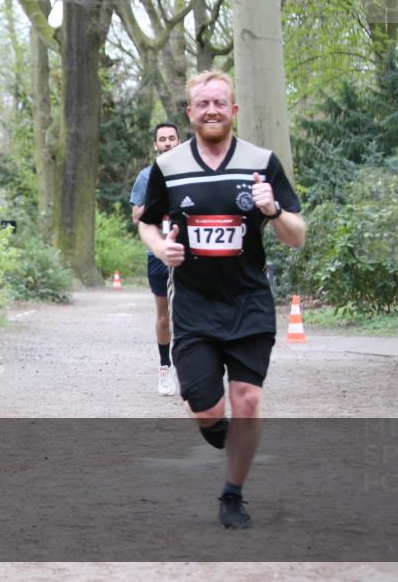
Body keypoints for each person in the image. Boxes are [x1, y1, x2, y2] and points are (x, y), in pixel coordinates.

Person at [137, 70, 305, 529]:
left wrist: (272, 210)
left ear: (233, 110)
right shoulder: (168, 167)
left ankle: (233, 495)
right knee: (206, 409)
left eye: (220, 102)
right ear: (190, 113)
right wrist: (160, 248)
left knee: (247, 400)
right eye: (202, 103)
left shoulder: (261, 162)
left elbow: (297, 235)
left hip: (248, 301)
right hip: (193, 304)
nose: (211, 110)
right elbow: (147, 222)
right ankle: (223, 432)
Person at [130, 122, 181, 396]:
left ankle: (195, 366)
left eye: (172, 138)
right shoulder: (146, 177)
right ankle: (165, 366)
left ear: (179, 141)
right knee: (164, 316)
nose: (167, 143)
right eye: (162, 139)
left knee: (193, 311)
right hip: (158, 253)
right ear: (155, 145)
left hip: (189, 253)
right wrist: (159, 202)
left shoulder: (189, 173)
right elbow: (137, 215)